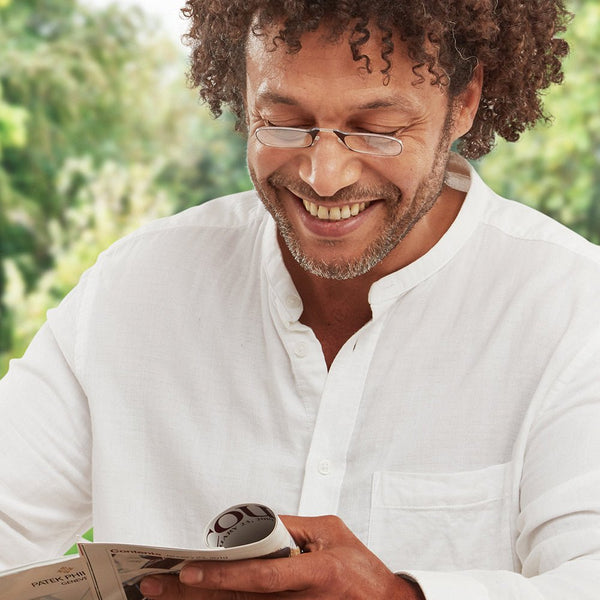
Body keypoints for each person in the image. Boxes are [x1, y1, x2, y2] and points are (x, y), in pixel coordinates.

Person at [1, 1, 599, 598]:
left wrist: (399, 596)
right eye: (283, 121)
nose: (325, 176)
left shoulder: (571, 309)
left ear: (464, 101)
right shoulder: (136, 290)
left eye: (378, 130)